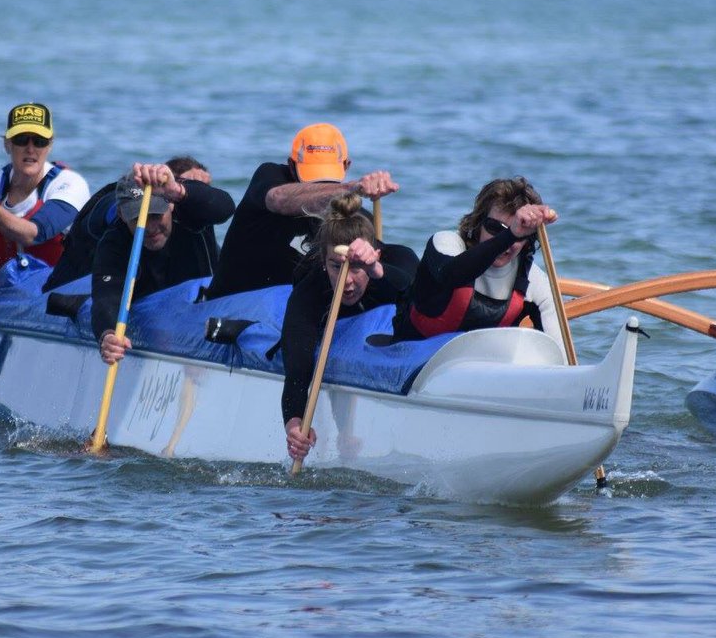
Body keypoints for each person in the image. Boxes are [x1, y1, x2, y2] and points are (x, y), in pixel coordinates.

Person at [280, 193, 417, 462]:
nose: (349, 281)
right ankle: (345, 432)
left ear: (376, 255)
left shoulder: (397, 262)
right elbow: (297, 367)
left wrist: (376, 270)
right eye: (337, 267)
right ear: (323, 262)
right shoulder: (311, 289)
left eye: (357, 268)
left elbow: (419, 297)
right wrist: (294, 426)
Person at [203, 123, 400, 300]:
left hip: (292, 309)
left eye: (329, 178)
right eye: (314, 178)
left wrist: (376, 267)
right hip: (230, 303)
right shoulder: (269, 177)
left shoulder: (356, 218)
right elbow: (278, 198)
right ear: (291, 166)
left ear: (346, 166)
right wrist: (351, 188)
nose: (323, 185)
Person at [392, 177, 564, 347]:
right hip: (411, 355)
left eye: (521, 233)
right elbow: (452, 276)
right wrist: (511, 235)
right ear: (477, 223)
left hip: (480, 366)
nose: (508, 245)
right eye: (495, 228)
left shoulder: (533, 281)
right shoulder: (446, 244)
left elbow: (559, 354)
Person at [0, 102, 90, 307]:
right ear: (7, 144)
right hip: (7, 299)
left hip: (58, 297)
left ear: (49, 145)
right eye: (22, 140)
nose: (30, 149)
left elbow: (33, 233)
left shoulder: (69, 186)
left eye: (39, 141)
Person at [93, 164, 236, 364]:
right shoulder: (113, 243)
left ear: (170, 205)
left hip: (204, 311)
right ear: (121, 214)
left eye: (155, 214)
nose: (150, 228)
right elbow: (106, 296)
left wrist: (177, 190)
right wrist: (108, 335)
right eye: (137, 218)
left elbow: (227, 207)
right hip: (156, 319)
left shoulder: (190, 213)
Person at [43, 156, 232, 292]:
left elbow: (224, 206)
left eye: (203, 188)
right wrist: (133, 209)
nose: (201, 193)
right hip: (76, 279)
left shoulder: (196, 218)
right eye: (194, 186)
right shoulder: (114, 215)